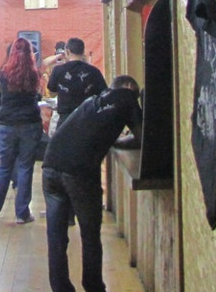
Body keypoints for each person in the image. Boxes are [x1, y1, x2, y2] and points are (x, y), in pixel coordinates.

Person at [41, 75, 143, 292]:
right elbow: (144, 136)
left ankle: (60, 288)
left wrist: (114, 140)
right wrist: (121, 140)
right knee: (90, 234)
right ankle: (93, 286)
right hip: (79, 171)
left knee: (56, 236)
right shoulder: (126, 97)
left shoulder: (92, 101)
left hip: (50, 165)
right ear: (128, 87)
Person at [0, 37, 42, 224]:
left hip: (7, 124)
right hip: (29, 123)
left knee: (4, 166)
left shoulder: (3, 74)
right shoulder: (33, 74)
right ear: (30, 53)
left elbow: (1, 96)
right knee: (25, 167)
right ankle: (22, 214)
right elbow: (37, 96)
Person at [46, 37, 107, 127]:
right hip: (87, 119)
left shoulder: (58, 70)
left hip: (65, 120)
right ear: (83, 52)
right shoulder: (94, 71)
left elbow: (51, 88)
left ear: (67, 51)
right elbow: (104, 93)